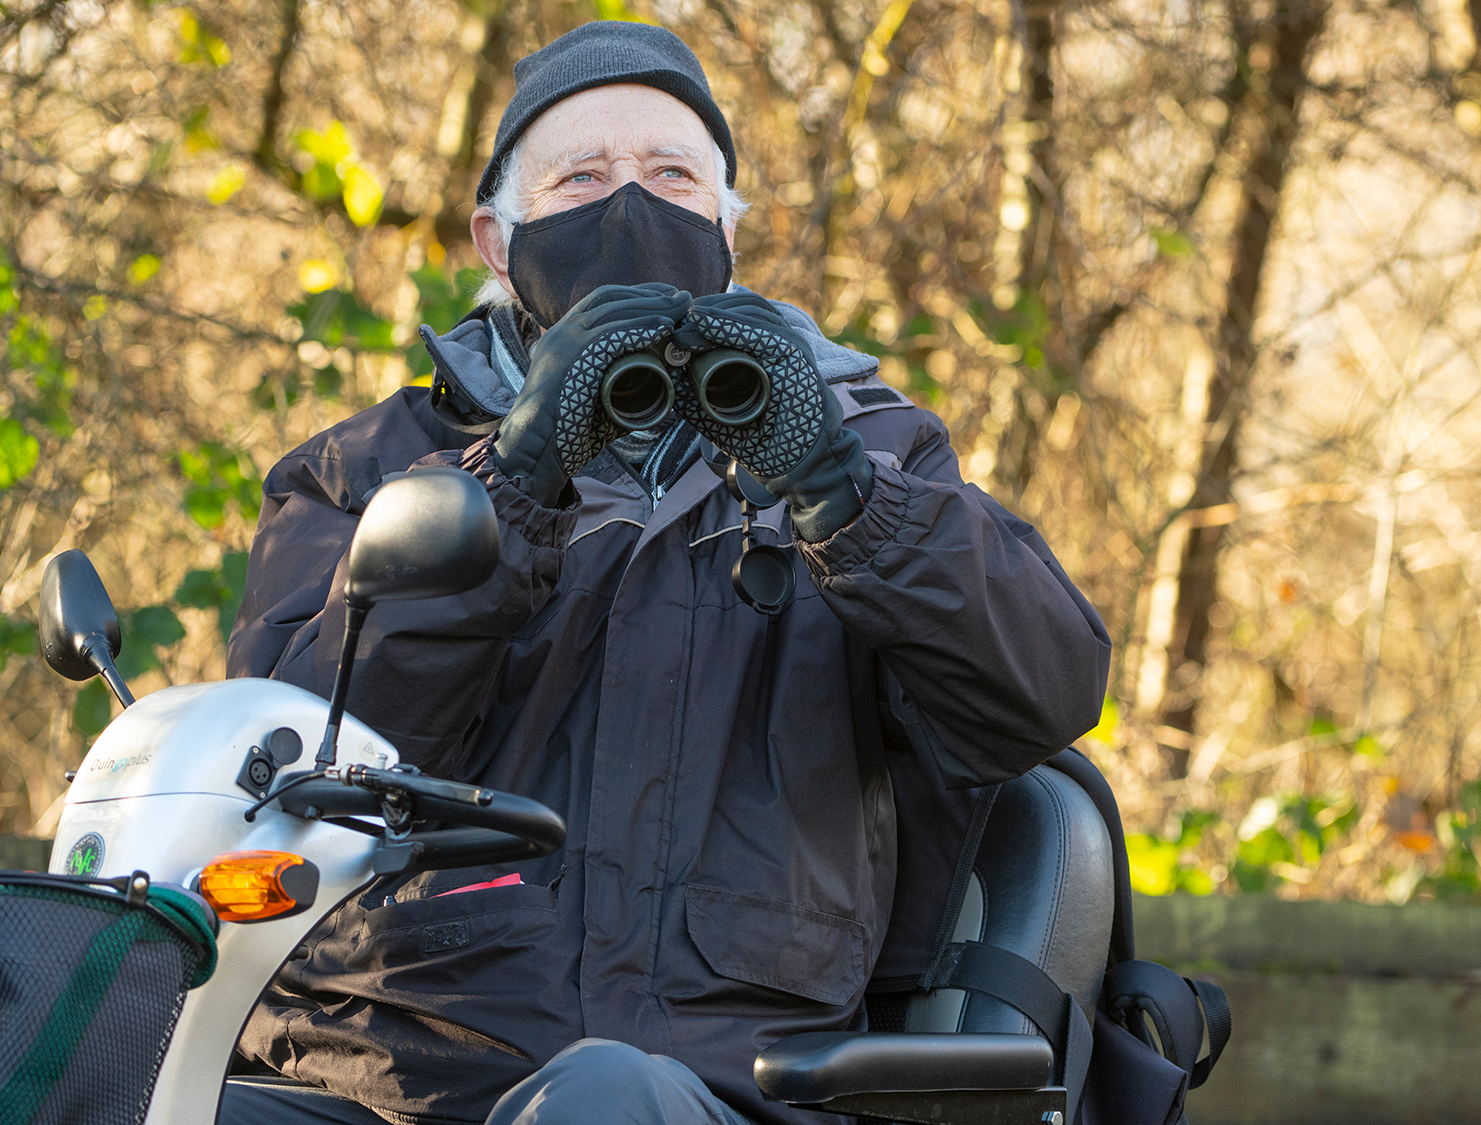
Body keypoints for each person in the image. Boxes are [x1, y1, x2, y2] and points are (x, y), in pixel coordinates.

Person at [218, 21, 1110, 1125]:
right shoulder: (363, 470)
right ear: (498, 240)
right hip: (384, 1072)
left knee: (605, 1096)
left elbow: (1043, 694)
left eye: (671, 176)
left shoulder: (879, 451)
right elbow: (291, 762)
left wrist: (842, 493)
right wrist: (512, 480)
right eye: (582, 178)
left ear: (727, 230)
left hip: (730, 1081)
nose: (628, 207)